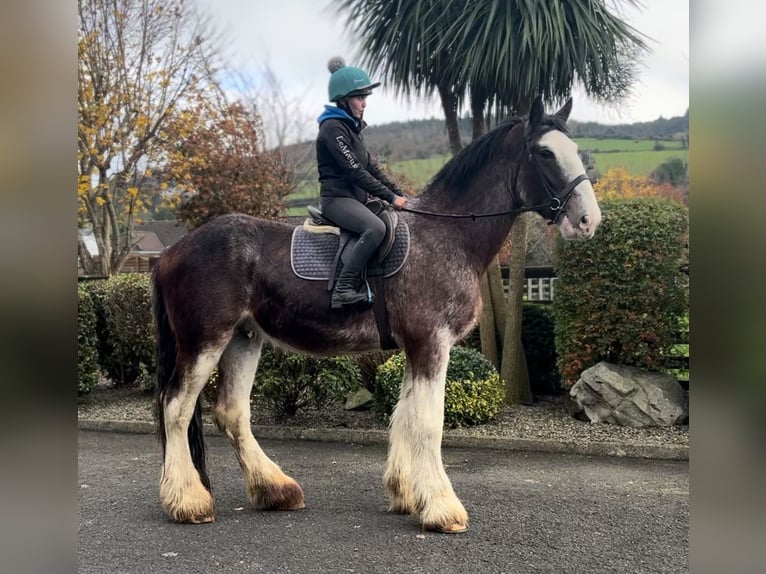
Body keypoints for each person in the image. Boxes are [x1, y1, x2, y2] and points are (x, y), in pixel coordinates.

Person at [316, 57, 408, 309]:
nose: (364, 103)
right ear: (344, 99)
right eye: (359, 97)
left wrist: (400, 195)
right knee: (375, 228)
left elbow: (372, 168)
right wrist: (390, 198)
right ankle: (343, 289)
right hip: (337, 200)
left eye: (365, 97)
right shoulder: (332, 129)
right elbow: (356, 172)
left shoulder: (352, 129)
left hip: (355, 199)